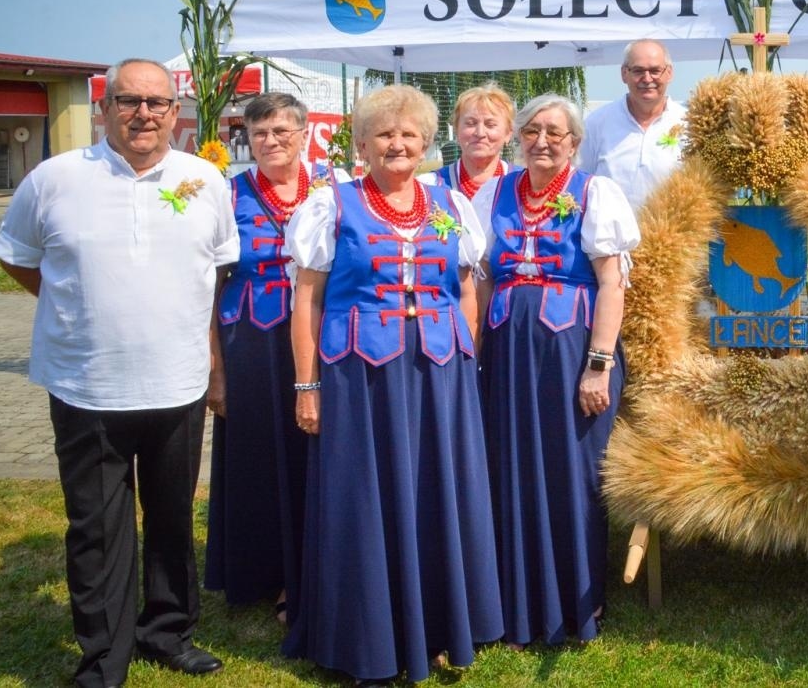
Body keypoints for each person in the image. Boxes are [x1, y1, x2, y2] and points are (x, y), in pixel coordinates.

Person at [0, 58, 237, 687]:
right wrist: (78, 305)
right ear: (104, 109)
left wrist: (211, 363)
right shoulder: (52, 179)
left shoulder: (206, 180)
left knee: (174, 517)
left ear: (175, 112)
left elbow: (217, 273)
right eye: (128, 100)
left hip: (177, 382)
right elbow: (16, 259)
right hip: (86, 383)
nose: (143, 114)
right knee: (97, 528)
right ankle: (103, 657)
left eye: (157, 103)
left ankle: (168, 631)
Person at [282, 84, 502, 685]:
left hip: (439, 372)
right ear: (361, 144)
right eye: (384, 134)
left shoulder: (449, 206)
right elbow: (306, 301)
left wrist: (466, 365)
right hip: (360, 376)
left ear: (428, 144)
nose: (397, 144)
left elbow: (464, 291)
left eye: (410, 135)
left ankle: (434, 626)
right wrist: (308, 386)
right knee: (364, 494)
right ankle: (367, 635)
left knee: (435, 489)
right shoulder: (331, 206)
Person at [473, 93, 639, 647]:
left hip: (572, 353)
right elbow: (482, 279)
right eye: (532, 131)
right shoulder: (493, 193)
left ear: (574, 142)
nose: (542, 141)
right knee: (511, 468)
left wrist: (598, 365)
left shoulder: (595, 193)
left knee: (571, 474)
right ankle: (514, 602)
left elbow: (612, 283)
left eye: (555, 133)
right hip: (507, 352)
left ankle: (576, 606)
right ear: (517, 138)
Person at [204, 92, 344, 624]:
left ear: (305, 135)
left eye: (283, 131)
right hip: (251, 342)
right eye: (260, 133)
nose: (271, 141)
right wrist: (215, 368)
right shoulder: (227, 194)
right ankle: (260, 569)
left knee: (314, 451)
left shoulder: (334, 193)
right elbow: (207, 285)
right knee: (258, 453)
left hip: (320, 340)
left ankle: (312, 568)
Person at [576, 39, 685, 209]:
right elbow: (578, 183)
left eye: (655, 70)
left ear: (669, 73)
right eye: (638, 70)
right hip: (610, 235)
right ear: (624, 74)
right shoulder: (596, 124)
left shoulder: (689, 123)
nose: (647, 78)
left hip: (675, 233)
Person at [421, 83, 515, 199]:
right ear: (456, 128)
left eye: (490, 125)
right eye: (471, 123)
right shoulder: (429, 186)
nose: (480, 133)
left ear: (508, 133)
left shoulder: (524, 183)